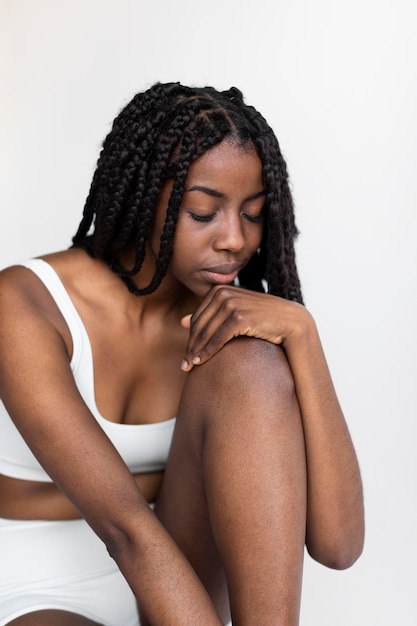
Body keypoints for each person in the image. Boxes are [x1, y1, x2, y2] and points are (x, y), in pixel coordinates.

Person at [0, 82, 364, 626]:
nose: (235, 241)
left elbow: (337, 545)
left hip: (181, 578)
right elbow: (127, 529)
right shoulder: (24, 305)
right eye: (203, 213)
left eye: (255, 214)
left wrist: (302, 336)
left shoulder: (230, 321)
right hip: (40, 585)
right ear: (141, 199)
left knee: (253, 362)